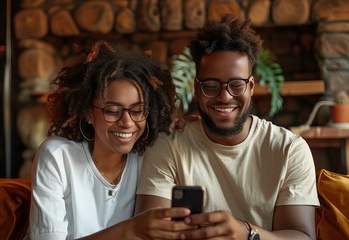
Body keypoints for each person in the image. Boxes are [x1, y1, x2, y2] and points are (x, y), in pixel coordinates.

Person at [135, 14, 320, 240]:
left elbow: (302, 236)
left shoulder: (289, 149)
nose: (224, 96)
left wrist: (246, 233)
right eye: (211, 85)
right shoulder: (169, 147)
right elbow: (149, 233)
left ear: (251, 86)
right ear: (196, 87)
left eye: (236, 85)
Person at [28, 41, 194, 240]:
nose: (127, 122)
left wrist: (196, 131)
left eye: (137, 111)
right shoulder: (57, 156)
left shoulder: (149, 159)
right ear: (88, 113)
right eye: (112, 111)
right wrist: (132, 230)